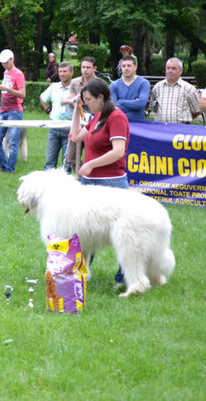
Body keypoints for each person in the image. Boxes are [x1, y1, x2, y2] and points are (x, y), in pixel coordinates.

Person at [72, 78, 130, 285]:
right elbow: (76, 136)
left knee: (122, 232)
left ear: (101, 97)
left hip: (111, 183)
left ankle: (124, 276)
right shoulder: (97, 116)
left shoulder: (117, 118)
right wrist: (76, 111)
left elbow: (118, 152)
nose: (86, 103)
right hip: (90, 183)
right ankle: (80, 271)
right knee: (86, 230)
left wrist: (91, 164)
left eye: (88, 99)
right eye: (84, 100)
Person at [0, 49, 26, 174]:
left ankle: (10, 169)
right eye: (2, 63)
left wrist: (6, 89)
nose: (4, 65)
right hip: (2, 111)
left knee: (12, 141)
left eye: (6, 62)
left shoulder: (19, 74)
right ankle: (4, 165)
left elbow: (22, 94)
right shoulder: (6, 73)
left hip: (15, 111)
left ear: (12, 59)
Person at [40, 61, 74, 173]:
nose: (62, 74)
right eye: (60, 71)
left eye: (65, 71)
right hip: (54, 128)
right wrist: (48, 110)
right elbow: (42, 98)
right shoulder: (54, 87)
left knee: (67, 164)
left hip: (69, 129)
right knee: (49, 163)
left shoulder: (76, 88)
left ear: (72, 72)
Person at [150, 57, 201, 124]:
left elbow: (197, 111)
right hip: (160, 129)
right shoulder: (157, 87)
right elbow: (153, 107)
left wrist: (183, 119)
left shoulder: (189, 89)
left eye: (173, 68)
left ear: (181, 71)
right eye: (168, 68)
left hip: (181, 130)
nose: (170, 71)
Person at [110, 56, 150, 120]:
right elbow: (113, 108)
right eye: (123, 66)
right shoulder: (114, 85)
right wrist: (134, 103)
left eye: (129, 66)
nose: (126, 68)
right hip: (118, 121)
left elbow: (141, 103)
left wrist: (120, 101)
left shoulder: (144, 83)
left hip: (138, 123)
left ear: (135, 67)